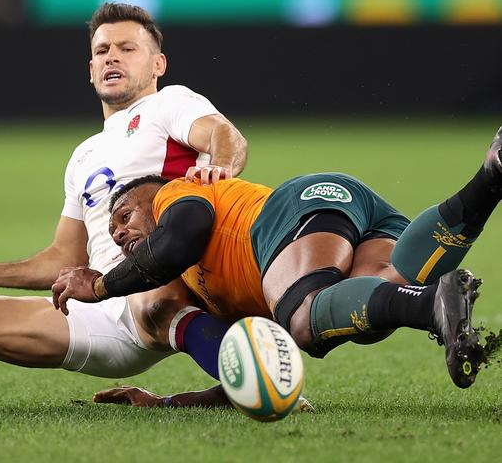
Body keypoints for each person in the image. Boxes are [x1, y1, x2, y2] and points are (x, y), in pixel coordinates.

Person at [0, 2, 248, 415]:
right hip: (102, 305)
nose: (112, 56)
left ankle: (263, 379)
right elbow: (65, 256)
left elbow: (225, 136)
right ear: (90, 69)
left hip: (169, 288)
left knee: (157, 300)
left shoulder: (169, 104)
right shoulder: (84, 155)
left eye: (128, 48)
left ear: (158, 64)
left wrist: (219, 168)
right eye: (102, 50)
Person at [55, 126, 502, 408]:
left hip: (294, 210)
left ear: (152, 199)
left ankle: (431, 306)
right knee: (376, 303)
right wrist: (167, 402)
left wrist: (100, 286)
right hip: (346, 219)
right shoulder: (212, 288)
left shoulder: (178, 194)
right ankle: (490, 176)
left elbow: (181, 236)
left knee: (305, 316)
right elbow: (253, 374)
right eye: (114, 236)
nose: (120, 235)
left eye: (125, 218)